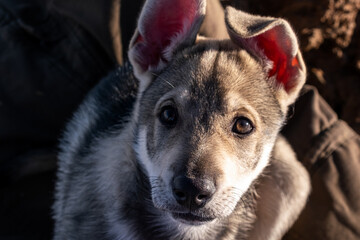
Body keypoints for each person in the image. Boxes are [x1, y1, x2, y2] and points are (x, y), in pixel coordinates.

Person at [0, 0, 359, 239]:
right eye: (170, 115)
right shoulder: (88, 217)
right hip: (55, 46)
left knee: (295, 182)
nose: (193, 181)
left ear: (285, 75)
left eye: (241, 126)